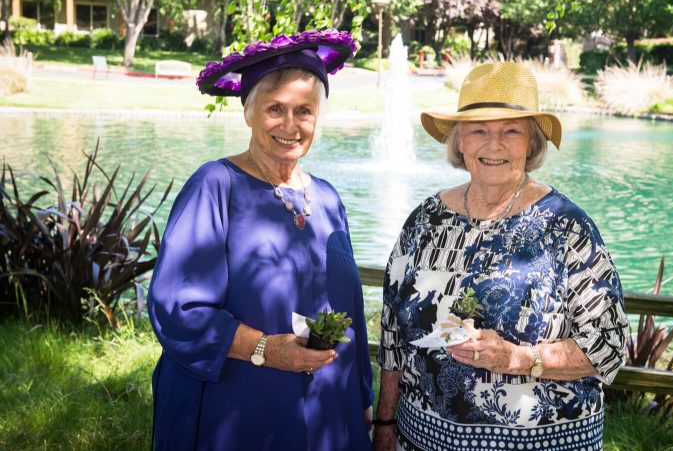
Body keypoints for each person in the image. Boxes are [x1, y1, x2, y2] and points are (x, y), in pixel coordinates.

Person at [374, 62, 628, 451]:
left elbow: (609, 345)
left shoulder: (566, 227)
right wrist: (385, 422)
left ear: (531, 144)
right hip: (421, 441)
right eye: (479, 130)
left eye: (511, 131)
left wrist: (517, 357)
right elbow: (393, 333)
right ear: (460, 142)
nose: (494, 144)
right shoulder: (424, 221)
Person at [148, 29, 374, 450]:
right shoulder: (215, 185)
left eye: (304, 111)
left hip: (328, 409)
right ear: (249, 113)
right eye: (275, 109)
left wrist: (362, 397)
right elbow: (178, 308)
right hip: (236, 404)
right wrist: (268, 349)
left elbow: (351, 310)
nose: (290, 125)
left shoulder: (326, 197)